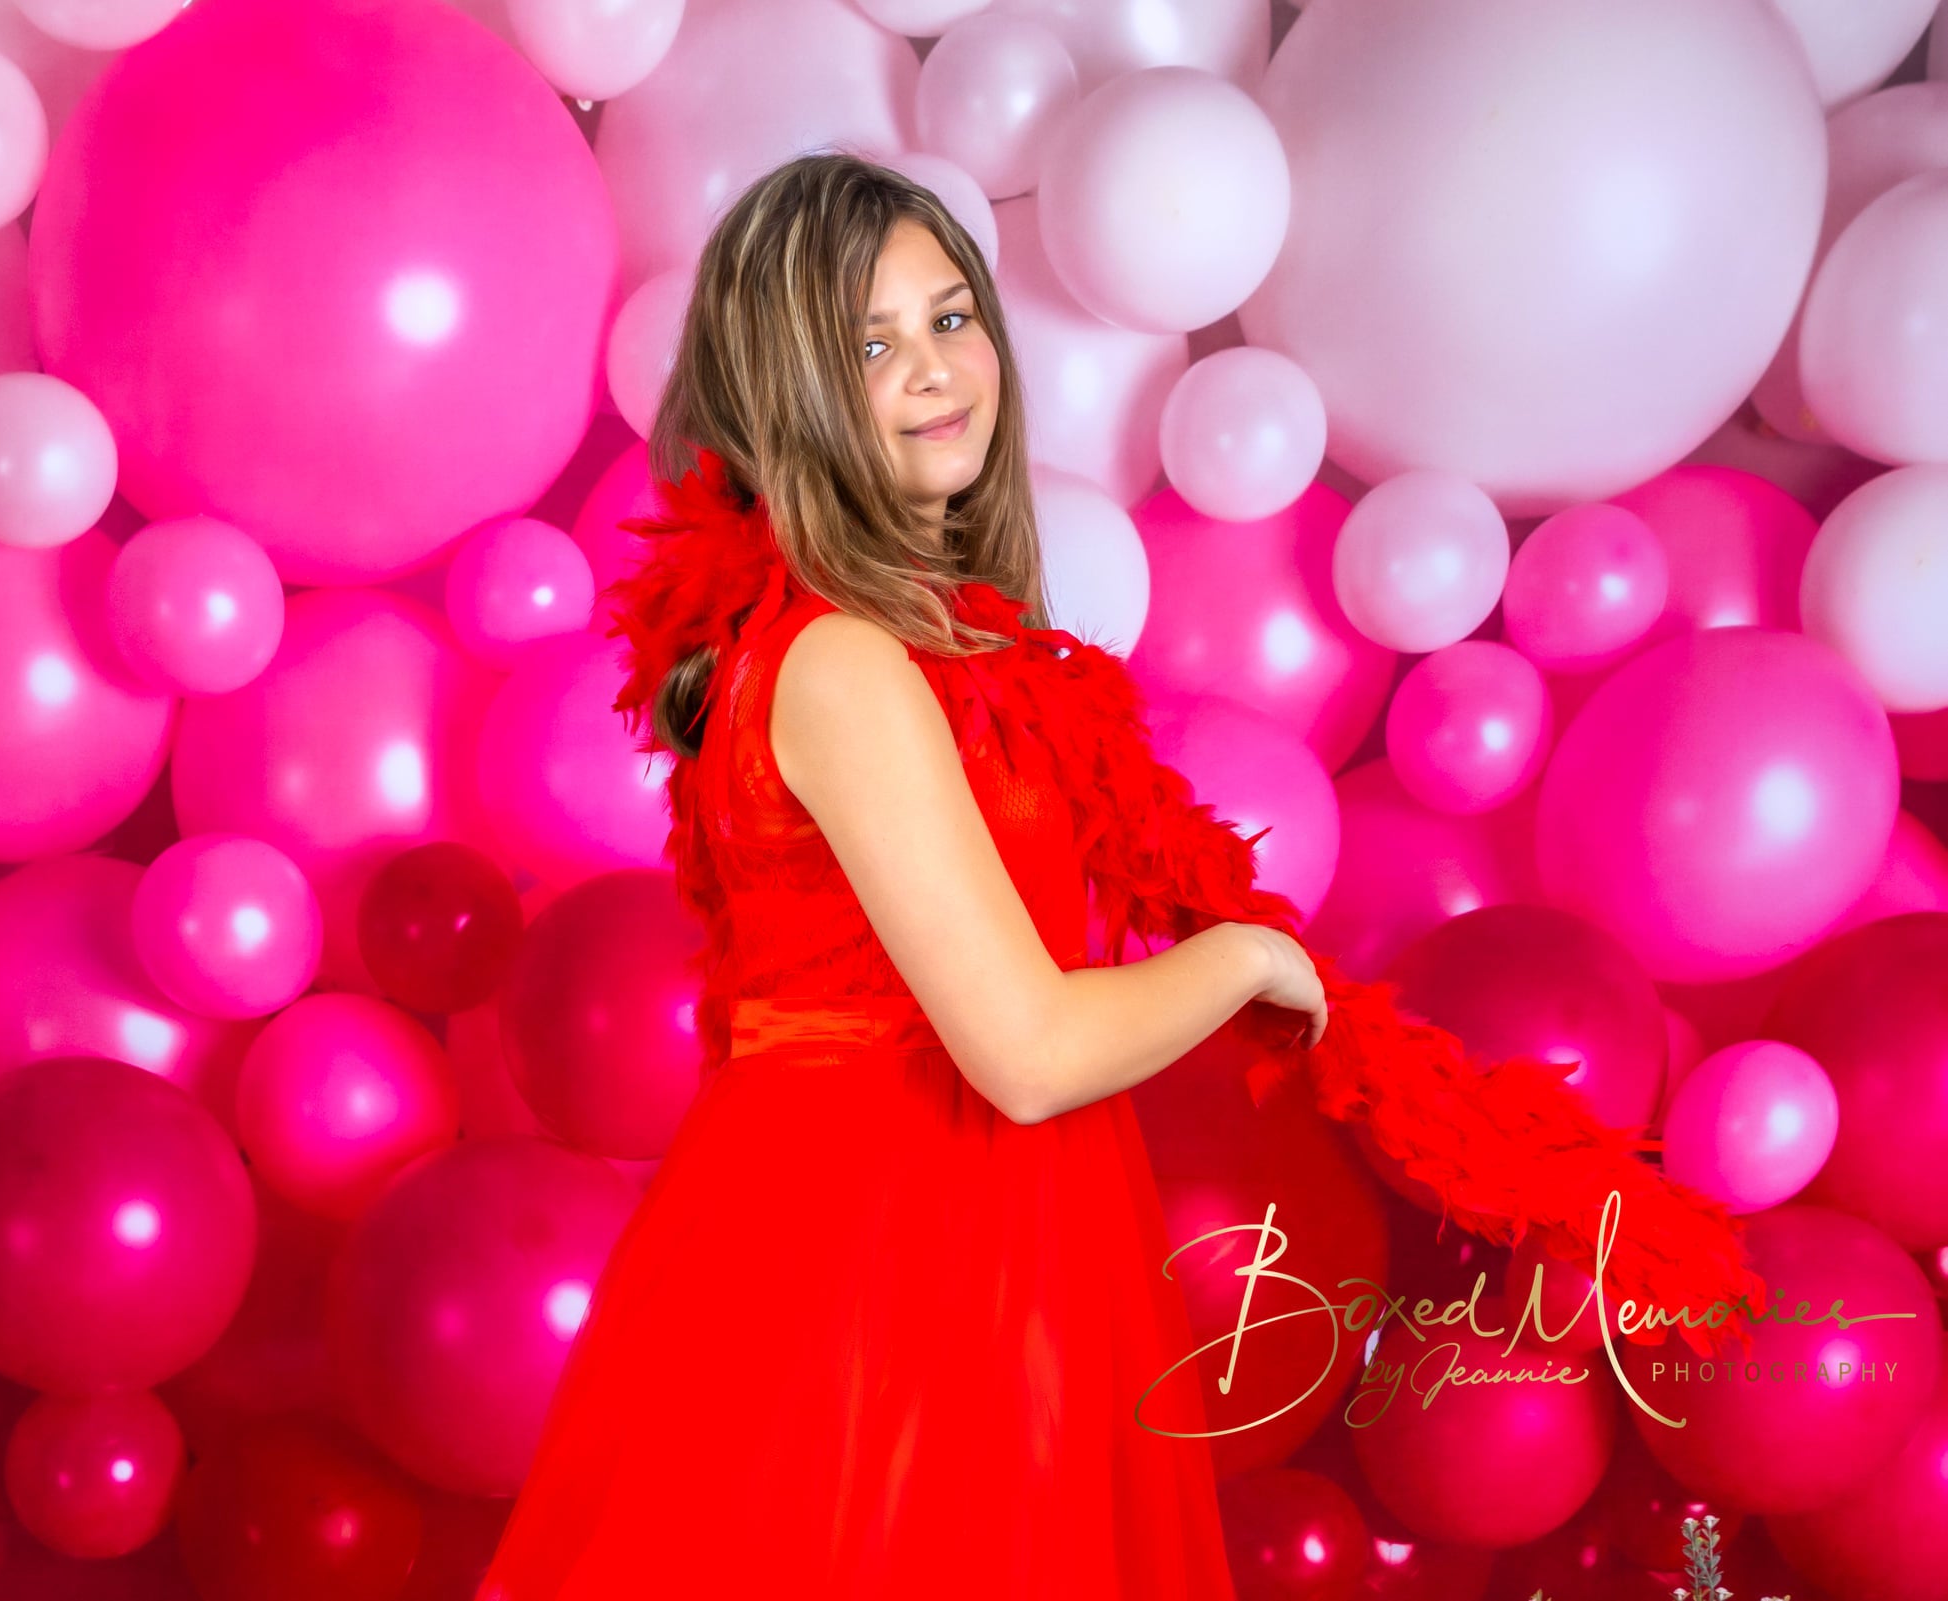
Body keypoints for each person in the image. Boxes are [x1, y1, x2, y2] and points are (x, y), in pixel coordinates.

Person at [477, 152, 1765, 1600]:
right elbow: (1024, 1051)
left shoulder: (943, 651)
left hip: (976, 1225)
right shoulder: (837, 662)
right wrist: (1251, 964)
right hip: (868, 1246)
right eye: (869, 343)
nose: (932, 371)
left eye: (950, 318)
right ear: (785, 390)